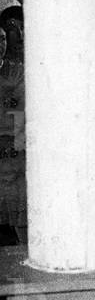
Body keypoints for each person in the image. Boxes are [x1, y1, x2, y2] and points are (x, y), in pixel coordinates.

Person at [0, 23, 26, 242]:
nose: (1, 45)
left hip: (12, 144)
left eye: (2, 39)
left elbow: (19, 115)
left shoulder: (15, 72)